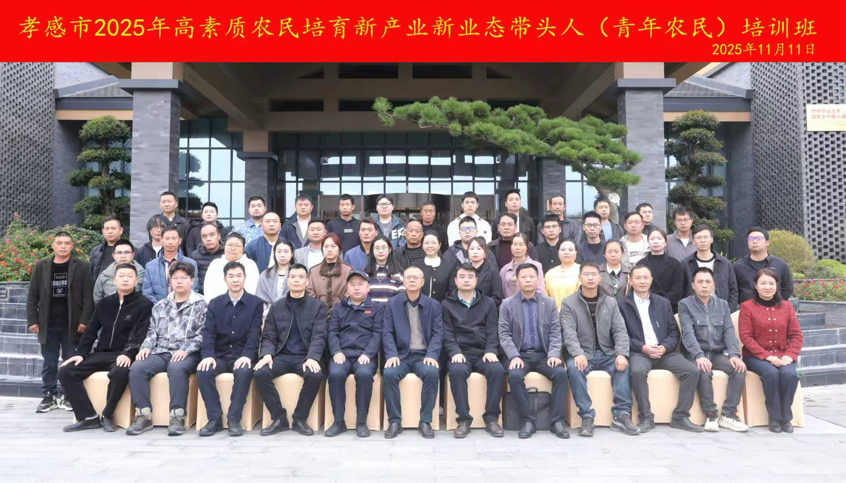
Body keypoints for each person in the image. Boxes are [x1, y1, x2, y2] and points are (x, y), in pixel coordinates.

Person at [59, 263, 153, 432]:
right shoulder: (104, 303)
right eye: (121, 276)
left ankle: (108, 414)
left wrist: (128, 353)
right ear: (114, 280)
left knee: (120, 371)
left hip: (123, 354)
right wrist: (80, 353)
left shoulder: (144, 304)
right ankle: (88, 417)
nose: (125, 279)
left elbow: (140, 334)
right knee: (66, 371)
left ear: (136, 280)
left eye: (130, 276)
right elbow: (91, 330)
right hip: (101, 353)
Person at [560, 262, 640, 437]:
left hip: (607, 352)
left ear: (600, 277)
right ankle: (586, 416)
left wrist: (621, 353)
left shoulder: (610, 302)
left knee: (623, 366)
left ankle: (621, 414)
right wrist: (577, 353)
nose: (590, 278)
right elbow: (568, 333)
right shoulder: (569, 303)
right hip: (583, 353)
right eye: (586, 274)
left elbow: (620, 330)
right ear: (579, 277)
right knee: (574, 368)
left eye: (593, 274)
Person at [618, 265, 701, 433]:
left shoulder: (663, 303)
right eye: (638, 278)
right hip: (639, 352)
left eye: (646, 278)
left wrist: (664, 347)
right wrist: (642, 347)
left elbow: (673, 331)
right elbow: (620, 334)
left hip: (664, 352)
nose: (642, 281)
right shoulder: (622, 304)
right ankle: (646, 417)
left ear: (651, 280)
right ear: (630, 280)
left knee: (692, 371)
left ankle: (680, 416)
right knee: (638, 372)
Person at [126, 262, 207, 436]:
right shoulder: (161, 305)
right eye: (175, 278)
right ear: (170, 281)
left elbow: (203, 334)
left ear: (192, 280)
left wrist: (185, 349)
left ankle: (177, 415)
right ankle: (143, 414)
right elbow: (152, 332)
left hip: (187, 352)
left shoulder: (201, 305)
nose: (179, 281)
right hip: (161, 351)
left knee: (177, 368)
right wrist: (146, 347)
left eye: (183, 278)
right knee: (137, 367)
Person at [253, 263, 327, 436]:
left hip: (305, 356)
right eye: (293, 277)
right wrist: (267, 354)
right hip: (282, 355)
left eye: (301, 277)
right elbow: (269, 335)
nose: (296, 280)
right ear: (287, 281)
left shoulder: (318, 306)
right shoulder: (277, 306)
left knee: (314, 374)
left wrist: (313, 357)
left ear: (307, 282)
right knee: (260, 373)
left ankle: (300, 419)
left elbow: (319, 336)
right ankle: (279, 418)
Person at [498, 263, 569, 439]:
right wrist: (513, 356)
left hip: (544, 355)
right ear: (517, 280)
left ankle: (557, 421)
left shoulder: (549, 303)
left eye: (531, 277)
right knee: (514, 376)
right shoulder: (507, 304)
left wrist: (554, 354)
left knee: (560, 374)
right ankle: (528, 420)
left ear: (538, 280)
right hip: (520, 355)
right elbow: (504, 334)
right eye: (524, 277)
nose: (528, 280)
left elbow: (555, 331)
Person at [28, 231, 94, 413]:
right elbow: (33, 295)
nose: (63, 246)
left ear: (72, 246)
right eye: (59, 243)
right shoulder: (41, 266)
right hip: (47, 323)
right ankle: (49, 394)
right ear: (53, 245)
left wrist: (84, 320)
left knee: (70, 361)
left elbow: (88, 296)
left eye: (67, 243)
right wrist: (32, 320)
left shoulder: (81, 266)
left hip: (72, 323)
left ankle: (67, 395)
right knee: (49, 363)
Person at [197, 261, 263, 437]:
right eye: (231, 276)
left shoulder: (255, 303)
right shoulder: (215, 303)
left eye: (239, 276)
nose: (235, 280)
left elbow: (255, 333)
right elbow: (208, 332)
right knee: (204, 371)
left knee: (244, 372)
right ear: (225, 279)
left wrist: (248, 355)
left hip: (242, 355)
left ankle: (234, 419)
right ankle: (214, 419)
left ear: (245, 278)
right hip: (219, 354)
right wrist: (208, 355)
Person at [679, 267, 749, 433]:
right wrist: (698, 355)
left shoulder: (722, 305)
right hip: (695, 354)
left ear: (713, 285)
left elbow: (728, 331)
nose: (704, 285)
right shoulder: (685, 304)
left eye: (708, 282)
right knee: (703, 370)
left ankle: (728, 415)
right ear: (693, 285)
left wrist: (734, 354)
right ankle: (711, 414)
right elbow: (688, 333)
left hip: (717, 353)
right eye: (700, 282)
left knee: (739, 368)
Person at [441, 263, 505, 438]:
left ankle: (492, 418)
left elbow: (492, 330)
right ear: (455, 280)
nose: (466, 280)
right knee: (456, 372)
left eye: (470, 277)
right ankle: (463, 420)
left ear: (476, 280)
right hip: (460, 353)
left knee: (497, 370)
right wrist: (455, 352)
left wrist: (491, 350)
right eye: (462, 277)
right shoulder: (447, 304)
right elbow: (447, 332)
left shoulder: (488, 302)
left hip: (483, 352)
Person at [738, 269, 803, 433]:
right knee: (771, 374)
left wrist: (790, 354)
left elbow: (796, 334)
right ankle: (774, 417)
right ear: (755, 285)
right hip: (755, 356)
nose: (767, 287)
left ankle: (786, 418)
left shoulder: (787, 306)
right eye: (763, 283)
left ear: (776, 286)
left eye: (771, 283)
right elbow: (746, 337)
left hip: (783, 354)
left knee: (789, 374)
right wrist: (766, 356)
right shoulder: (747, 306)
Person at [382, 266, 443, 439]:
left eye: (416, 277)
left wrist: (431, 355)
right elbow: (387, 332)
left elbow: (438, 333)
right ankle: (395, 421)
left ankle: (425, 421)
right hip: (401, 355)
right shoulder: (393, 303)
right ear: (403, 281)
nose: (412, 280)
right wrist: (392, 354)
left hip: (423, 355)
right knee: (389, 374)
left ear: (423, 282)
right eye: (408, 277)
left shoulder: (433, 305)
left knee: (432, 373)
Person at [325, 271, 383, 438]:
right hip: (342, 354)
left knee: (364, 375)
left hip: (364, 355)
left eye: (360, 284)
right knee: (335, 374)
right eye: (352, 285)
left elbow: (378, 333)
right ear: (347, 288)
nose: (356, 288)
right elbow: (332, 332)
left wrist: (368, 354)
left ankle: (361, 422)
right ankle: (338, 422)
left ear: (368, 287)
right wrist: (336, 351)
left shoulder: (376, 308)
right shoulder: (338, 308)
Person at [682, 225, 739, 311]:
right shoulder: (686, 263)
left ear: (711, 239)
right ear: (693, 241)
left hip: (720, 310)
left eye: (706, 237)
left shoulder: (724, 263)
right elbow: (681, 290)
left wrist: (729, 310)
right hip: (694, 311)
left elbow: (733, 290)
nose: (702, 240)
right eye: (698, 238)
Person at [734, 227, 794, 305]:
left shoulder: (780, 264)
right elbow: (734, 291)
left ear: (767, 242)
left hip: (774, 308)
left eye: (758, 238)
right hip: (747, 309)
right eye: (751, 239)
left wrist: (777, 304)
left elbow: (788, 288)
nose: (754, 241)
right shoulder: (738, 266)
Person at [142, 225, 199, 303]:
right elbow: (147, 292)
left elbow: (193, 289)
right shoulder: (150, 266)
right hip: (157, 308)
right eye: (167, 238)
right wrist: (160, 307)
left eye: (174, 238)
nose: (170, 242)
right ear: (161, 240)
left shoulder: (191, 263)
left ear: (180, 241)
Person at [636, 229, 685, 313]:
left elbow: (677, 289)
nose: (655, 242)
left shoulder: (675, 264)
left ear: (665, 242)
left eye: (659, 238)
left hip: (669, 307)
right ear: (648, 242)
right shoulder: (641, 264)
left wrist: (662, 302)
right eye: (652, 239)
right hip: (645, 305)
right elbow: (637, 286)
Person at [449, 237, 503, 308]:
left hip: (485, 310)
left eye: (479, 249)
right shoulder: (461, 270)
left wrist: (480, 307)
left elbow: (497, 297)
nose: (475, 252)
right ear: (468, 252)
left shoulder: (492, 271)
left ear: (485, 253)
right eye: (472, 249)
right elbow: (453, 290)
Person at [204, 233, 260, 300]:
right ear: (224, 246)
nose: (233, 248)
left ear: (243, 248)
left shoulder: (250, 265)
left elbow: (253, 289)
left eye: (237, 246)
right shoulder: (215, 264)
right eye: (230, 245)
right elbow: (208, 289)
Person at [307, 233, 353, 310]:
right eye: (326, 246)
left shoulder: (348, 270)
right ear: (322, 249)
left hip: (342, 312)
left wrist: (339, 308)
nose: (329, 249)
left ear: (339, 249)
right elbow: (310, 293)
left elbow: (349, 293)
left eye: (333, 246)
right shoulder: (313, 271)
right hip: (318, 313)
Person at [93, 239, 145, 304]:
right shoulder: (105, 275)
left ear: (133, 255)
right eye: (119, 252)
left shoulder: (143, 274)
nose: (123, 256)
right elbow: (97, 299)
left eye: (127, 252)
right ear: (113, 256)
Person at [500, 233, 545, 298]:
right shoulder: (504, 269)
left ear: (527, 246)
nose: (517, 248)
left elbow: (540, 291)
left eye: (521, 245)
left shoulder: (536, 266)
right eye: (515, 244)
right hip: (510, 304)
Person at [413, 231, 453, 302]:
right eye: (426, 243)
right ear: (422, 245)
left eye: (433, 243)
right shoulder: (415, 266)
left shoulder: (449, 267)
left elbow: (451, 291)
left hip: (442, 306)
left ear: (439, 245)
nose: (430, 246)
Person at [364, 235, 405, 303]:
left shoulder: (399, 274)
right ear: (372, 251)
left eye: (383, 248)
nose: (380, 251)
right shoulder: (365, 274)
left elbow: (401, 299)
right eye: (377, 248)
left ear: (389, 250)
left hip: (392, 309)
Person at [256, 238, 295, 305]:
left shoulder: (297, 274)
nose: (282, 255)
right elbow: (259, 299)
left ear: (292, 254)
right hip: (268, 310)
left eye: (286, 251)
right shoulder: (265, 275)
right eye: (279, 251)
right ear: (274, 253)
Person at [544, 239, 581, 309]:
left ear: (576, 252)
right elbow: (545, 296)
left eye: (570, 250)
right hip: (553, 313)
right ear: (558, 252)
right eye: (563, 249)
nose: (566, 252)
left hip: (574, 312)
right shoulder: (550, 273)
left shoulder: (581, 271)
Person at [189, 223, 224, 295]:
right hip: (201, 295)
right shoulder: (194, 256)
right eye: (204, 236)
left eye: (212, 235)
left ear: (219, 236)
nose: (208, 239)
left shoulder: (228, 253)